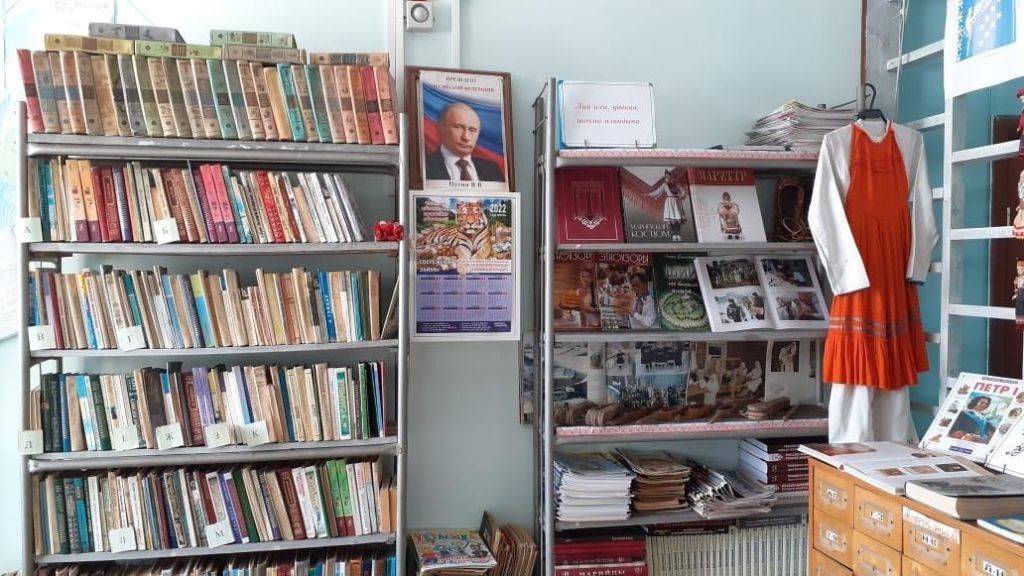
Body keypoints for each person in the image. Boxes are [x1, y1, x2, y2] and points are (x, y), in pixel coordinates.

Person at [424, 102, 506, 183]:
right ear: (441, 127)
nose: (466, 137)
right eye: (458, 127)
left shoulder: (492, 169)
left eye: (472, 130)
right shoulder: (425, 166)